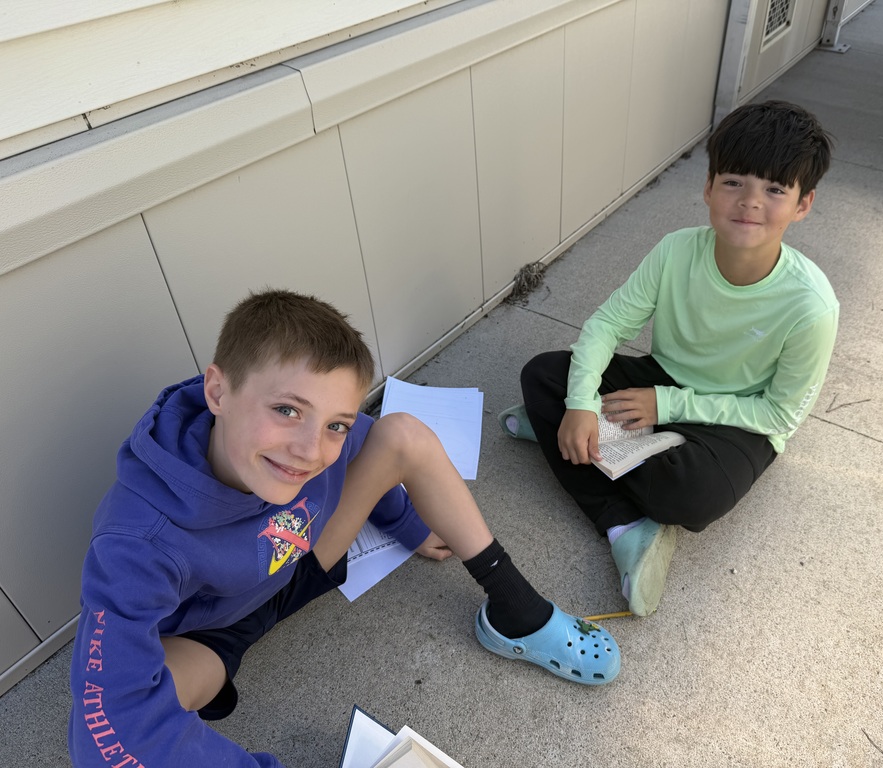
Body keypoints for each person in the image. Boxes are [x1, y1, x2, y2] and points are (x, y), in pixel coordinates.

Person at [69, 289, 620, 768]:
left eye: (333, 422)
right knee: (113, 718)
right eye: (286, 410)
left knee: (402, 433)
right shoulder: (138, 539)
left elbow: (370, 445)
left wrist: (407, 523)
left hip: (297, 561)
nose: (311, 449)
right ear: (218, 392)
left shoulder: (317, 442)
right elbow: (105, 732)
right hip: (211, 634)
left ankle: (517, 611)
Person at [500, 100, 839, 617]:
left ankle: (583, 449)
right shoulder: (677, 250)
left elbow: (779, 415)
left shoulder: (811, 306)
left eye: (774, 189)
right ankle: (617, 505)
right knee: (545, 373)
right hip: (664, 381)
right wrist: (580, 402)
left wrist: (666, 405)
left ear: (803, 204)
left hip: (739, 418)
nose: (750, 202)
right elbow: (607, 326)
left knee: (693, 496)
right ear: (707, 188)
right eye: (733, 182)